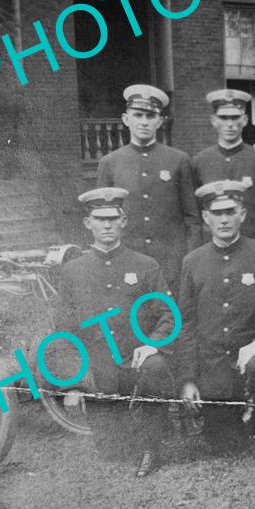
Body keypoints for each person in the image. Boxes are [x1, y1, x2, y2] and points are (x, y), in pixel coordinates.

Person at [56, 188, 177, 477]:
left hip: (136, 358)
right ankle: (131, 428)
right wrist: (73, 382)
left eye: (113, 218)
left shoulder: (145, 265)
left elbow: (168, 313)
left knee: (155, 366)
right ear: (88, 223)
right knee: (112, 452)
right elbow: (62, 331)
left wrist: (154, 344)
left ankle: (152, 445)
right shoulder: (72, 271)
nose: (107, 225)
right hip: (99, 367)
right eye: (100, 219)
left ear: (124, 221)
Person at [175, 180, 255, 470]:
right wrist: (188, 379)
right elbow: (186, 323)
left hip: (252, 356)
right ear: (205, 218)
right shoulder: (192, 262)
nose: (224, 219)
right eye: (217, 213)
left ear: (242, 214)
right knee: (224, 444)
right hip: (213, 363)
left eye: (231, 211)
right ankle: (238, 415)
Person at [96, 84, 201, 291]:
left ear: (160, 121)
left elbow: (193, 220)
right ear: (126, 119)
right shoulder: (110, 163)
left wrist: (190, 263)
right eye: (137, 115)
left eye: (150, 116)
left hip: (171, 263)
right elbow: (102, 218)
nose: (144, 122)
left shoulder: (179, 160)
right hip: (127, 260)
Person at [192, 88, 255, 243]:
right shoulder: (201, 160)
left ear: (244, 120)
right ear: (214, 121)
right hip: (215, 247)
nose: (230, 124)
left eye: (235, 117)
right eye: (224, 118)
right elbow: (196, 211)